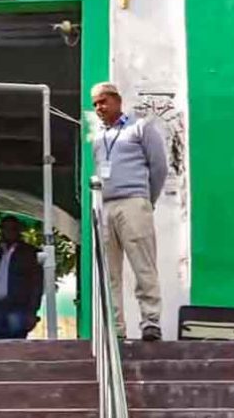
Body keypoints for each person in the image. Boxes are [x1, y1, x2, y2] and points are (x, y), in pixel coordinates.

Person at [91, 82, 168, 341]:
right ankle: (115, 328)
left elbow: (159, 168)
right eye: (95, 104)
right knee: (109, 271)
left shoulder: (140, 127)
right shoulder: (98, 137)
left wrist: (148, 199)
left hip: (134, 202)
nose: (99, 108)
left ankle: (150, 321)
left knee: (142, 264)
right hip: (107, 206)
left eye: (103, 101)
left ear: (117, 100)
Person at [0, 216, 43, 339]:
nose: (9, 232)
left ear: (18, 230)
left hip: (19, 308)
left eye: (12, 228)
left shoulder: (29, 253)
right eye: (5, 229)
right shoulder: (0, 255)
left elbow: (37, 284)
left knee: (16, 346)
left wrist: (32, 311)